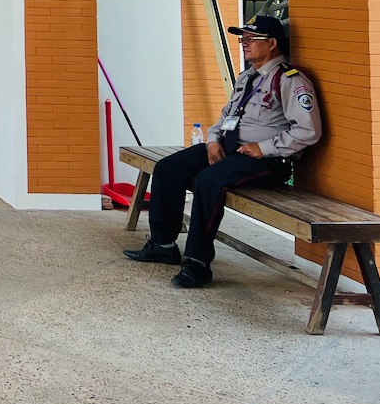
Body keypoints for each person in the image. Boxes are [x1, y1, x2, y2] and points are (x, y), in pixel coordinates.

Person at [125, 15, 321, 287]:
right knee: (167, 168)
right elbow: (226, 116)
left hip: (265, 160)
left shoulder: (290, 81)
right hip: (227, 148)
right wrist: (213, 140)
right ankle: (163, 243)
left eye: (251, 39)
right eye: (243, 39)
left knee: (208, 181)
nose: (245, 43)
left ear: (273, 43)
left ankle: (198, 263)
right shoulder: (247, 77)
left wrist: (262, 148)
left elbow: (308, 131)